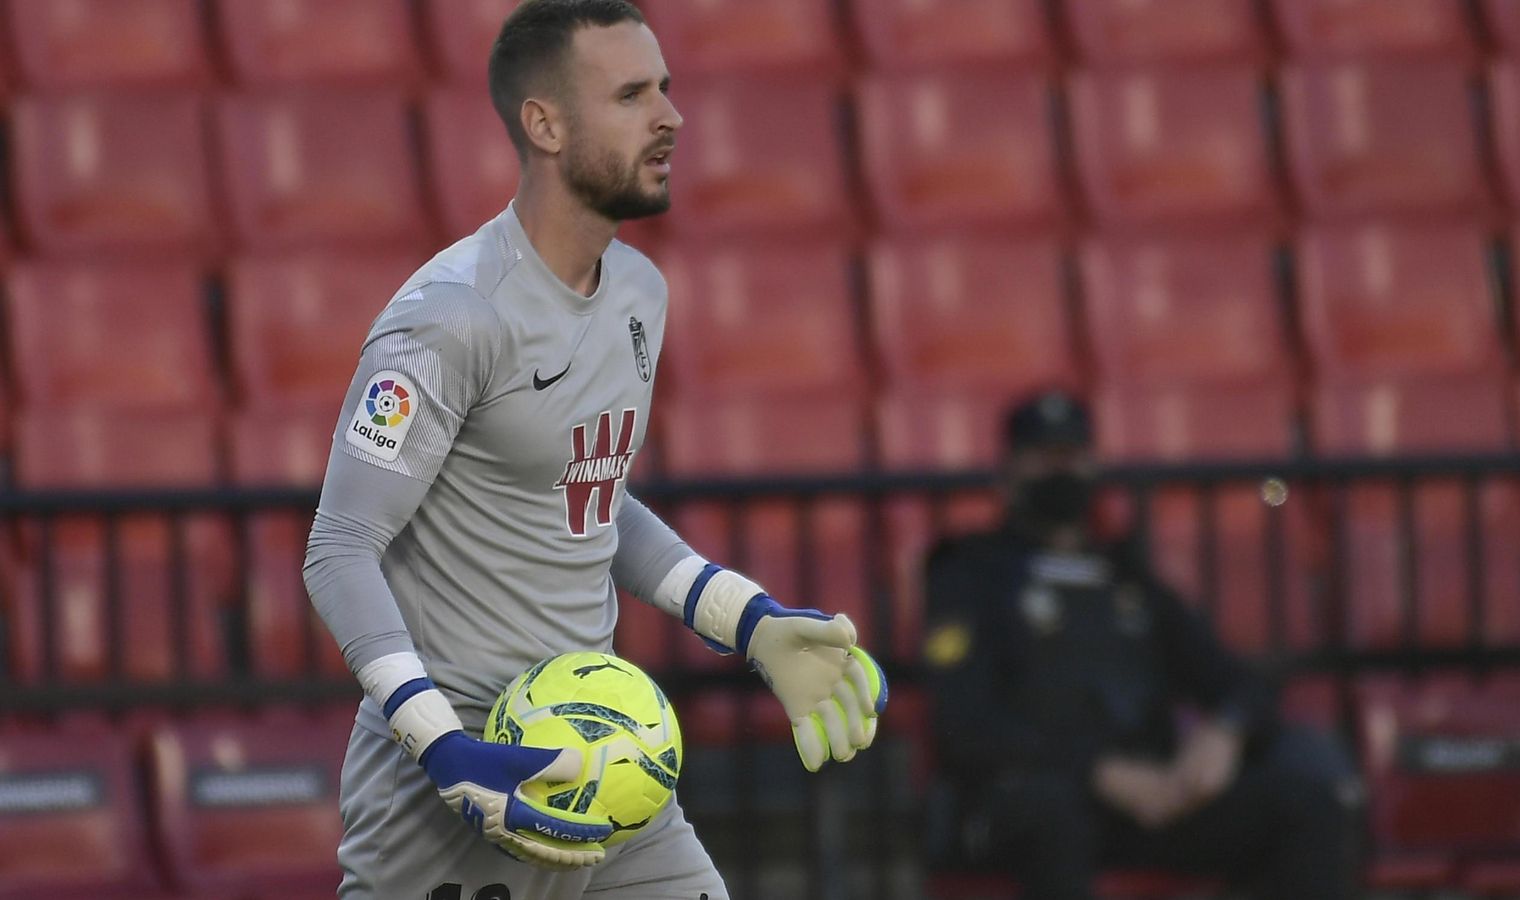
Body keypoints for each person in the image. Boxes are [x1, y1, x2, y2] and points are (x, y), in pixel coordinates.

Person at [301, 2, 887, 898]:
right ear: (545, 125)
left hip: (606, 758)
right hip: (453, 784)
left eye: (666, 89)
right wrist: (444, 747)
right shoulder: (448, 318)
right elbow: (339, 548)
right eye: (631, 94)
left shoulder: (641, 294)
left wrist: (750, 621)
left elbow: (590, 498)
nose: (671, 117)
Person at [922, 390, 1362, 900]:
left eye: (1073, 458)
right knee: (1051, 813)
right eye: (1044, 460)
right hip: (1032, 799)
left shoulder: (1127, 581)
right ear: (1011, 472)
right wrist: (1098, 771)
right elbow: (967, 721)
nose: (1061, 473)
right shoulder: (969, 576)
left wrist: (1224, 733)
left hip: (1152, 798)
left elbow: (1236, 681)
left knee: (1307, 805)